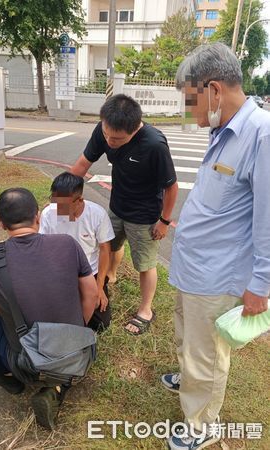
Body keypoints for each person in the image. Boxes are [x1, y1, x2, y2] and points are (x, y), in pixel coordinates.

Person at [163, 43, 270, 450]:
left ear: (213, 90)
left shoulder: (261, 134)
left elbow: (268, 218)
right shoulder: (221, 131)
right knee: (188, 337)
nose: (189, 109)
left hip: (218, 274)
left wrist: (260, 284)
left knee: (206, 354)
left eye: (190, 99)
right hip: (194, 267)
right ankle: (189, 380)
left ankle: (203, 424)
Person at [0, 188, 98, 430]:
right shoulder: (67, 244)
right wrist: (76, 331)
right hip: (80, 351)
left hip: (26, 365)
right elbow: (91, 293)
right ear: (38, 216)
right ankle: (57, 384)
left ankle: (5, 373)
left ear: (1, 223)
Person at [71, 94, 178, 335]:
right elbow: (81, 165)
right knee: (108, 245)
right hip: (117, 204)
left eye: (117, 139)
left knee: (145, 263)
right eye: (106, 134)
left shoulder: (153, 144)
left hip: (145, 213)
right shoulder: (104, 130)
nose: (109, 141)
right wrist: (61, 201)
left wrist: (164, 221)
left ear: (134, 130)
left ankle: (146, 310)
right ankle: (111, 275)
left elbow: (172, 187)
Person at [39, 172, 115, 332]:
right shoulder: (48, 213)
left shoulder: (97, 214)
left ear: (79, 200)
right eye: (55, 202)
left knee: (101, 324)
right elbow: (41, 247)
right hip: (59, 272)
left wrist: (99, 287)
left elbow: (105, 250)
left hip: (89, 273)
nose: (58, 209)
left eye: (63, 206)